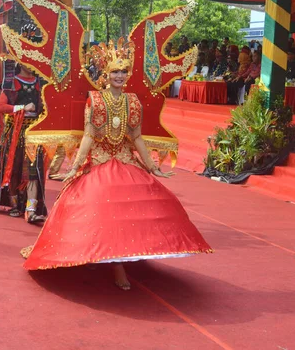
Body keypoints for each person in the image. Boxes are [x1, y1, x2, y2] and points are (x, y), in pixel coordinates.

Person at [21, 39, 212, 289]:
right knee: (100, 208)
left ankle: (128, 255)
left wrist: (153, 167)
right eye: (114, 71)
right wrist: (76, 166)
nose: (119, 76)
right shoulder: (95, 100)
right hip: (99, 163)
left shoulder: (132, 101)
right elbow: (89, 135)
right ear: (105, 74)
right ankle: (113, 264)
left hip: (125, 161)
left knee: (140, 208)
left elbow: (136, 137)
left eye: (123, 71)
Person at [0, 58, 48, 224]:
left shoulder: (40, 83)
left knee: (33, 171)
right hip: (15, 132)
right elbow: (0, 107)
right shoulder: (12, 83)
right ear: (21, 62)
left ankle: (31, 209)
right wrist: (22, 108)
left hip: (33, 133)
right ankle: (14, 205)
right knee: (13, 168)